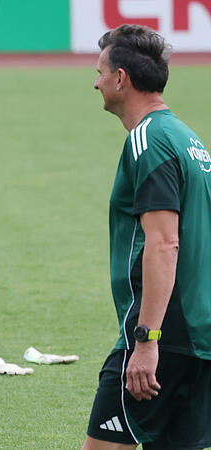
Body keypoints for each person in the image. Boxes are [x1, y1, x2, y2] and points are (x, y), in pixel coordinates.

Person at [83, 24, 211, 449]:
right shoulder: (189, 139)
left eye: (101, 71)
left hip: (163, 336)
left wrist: (146, 339)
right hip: (198, 339)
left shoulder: (149, 139)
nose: (95, 81)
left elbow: (164, 243)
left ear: (122, 78)